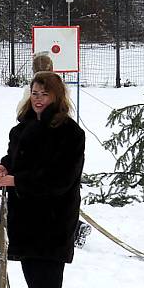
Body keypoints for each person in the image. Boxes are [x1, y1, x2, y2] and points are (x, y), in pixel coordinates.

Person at [0, 71, 85, 288]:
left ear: (56, 96)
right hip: (25, 217)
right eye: (34, 93)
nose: (38, 99)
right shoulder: (21, 130)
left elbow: (60, 178)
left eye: (45, 94)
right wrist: (3, 169)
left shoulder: (70, 133)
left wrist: (18, 180)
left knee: (47, 282)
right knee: (37, 282)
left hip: (54, 218)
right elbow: (14, 159)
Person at [18, 53, 92, 249]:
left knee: (53, 195)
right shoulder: (38, 90)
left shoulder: (46, 89)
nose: (39, 98)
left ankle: (75, 227)